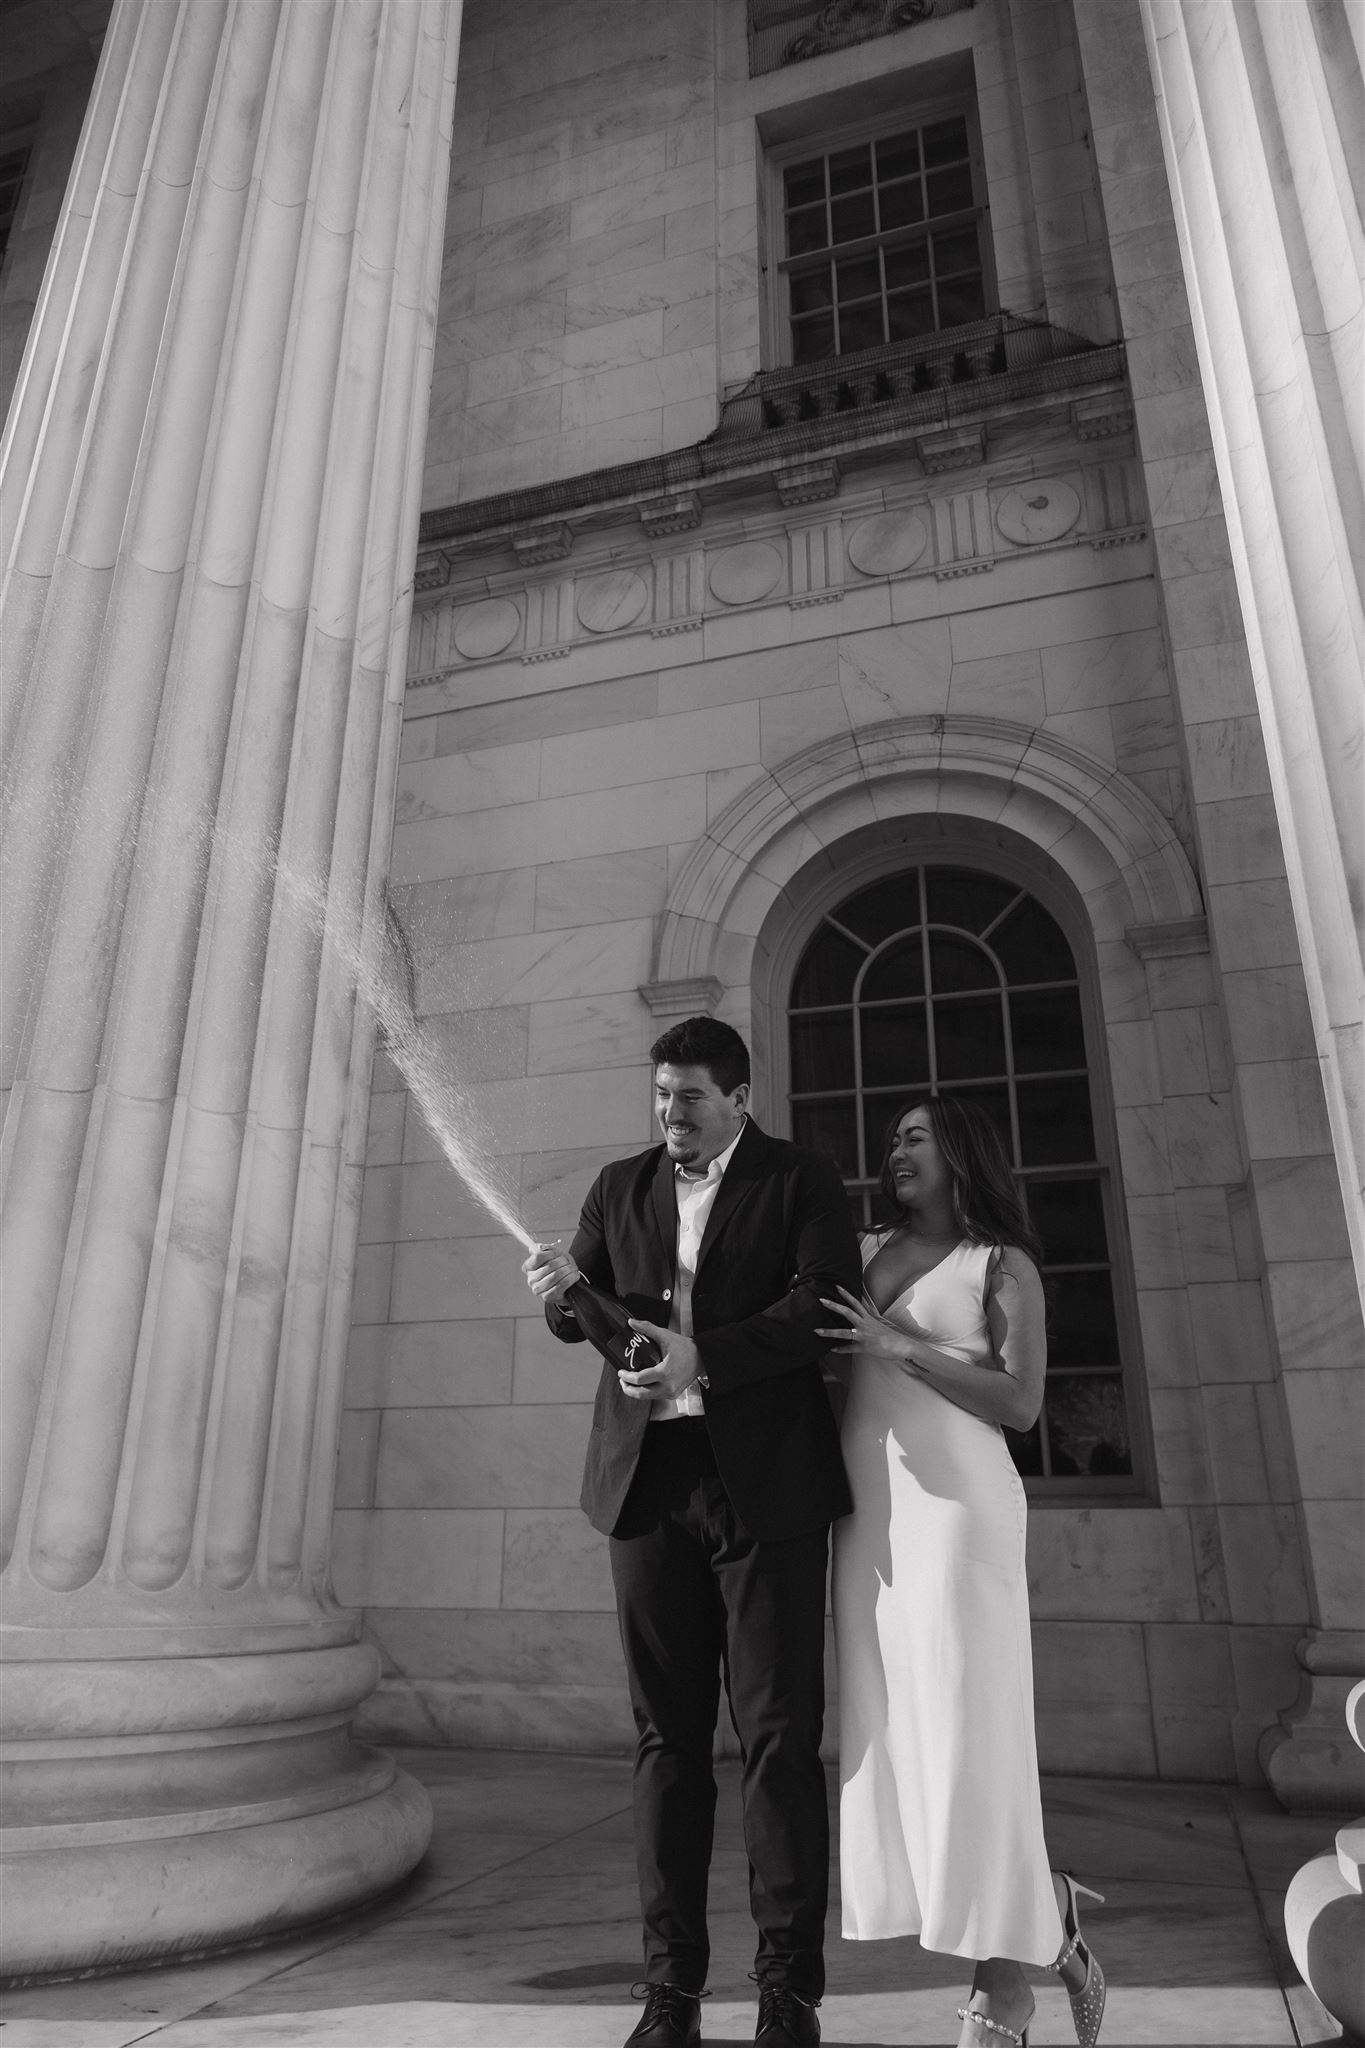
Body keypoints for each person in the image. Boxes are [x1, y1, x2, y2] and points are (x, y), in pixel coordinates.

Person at [523, 1016, 861, 2048]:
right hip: (649, 1490)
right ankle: (669, 1992)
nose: (671, 1112)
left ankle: (787, 1988)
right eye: (662, 1093)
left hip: (767, 1491)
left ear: (739, 1097)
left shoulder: (801, 1179)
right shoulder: (618, 1186)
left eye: (692, 1096)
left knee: (778, 1738)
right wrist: (560, 1297)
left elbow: (822, 1307)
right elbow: (583, 1311)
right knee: (666, 1741)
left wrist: (698, 1355)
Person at [818, 1095, 1106, 2048]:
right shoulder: (857, 1250)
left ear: (960, 1150)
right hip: (871, 1519)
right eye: (893, 1138)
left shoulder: (999, 1263)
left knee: (970, 1732)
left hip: (960, 1512)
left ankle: (1003, 1987)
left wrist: (900, 1346)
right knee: (898, 1732)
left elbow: (1021, 1404)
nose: (896, 1150)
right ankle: (1044, 1909)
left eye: (916, 1136)